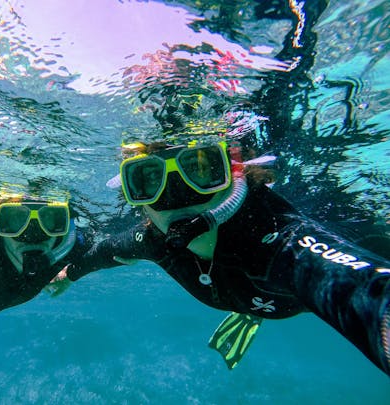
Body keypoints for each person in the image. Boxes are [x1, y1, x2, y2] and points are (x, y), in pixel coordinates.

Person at [52, 138, 390, 375]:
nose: (176, 196)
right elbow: (107, 251)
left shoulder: (279, 241)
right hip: (254, 298)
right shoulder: (153, 240)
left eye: (200, 169)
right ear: (136, 198)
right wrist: (71, 273)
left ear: (235, 176)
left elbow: (362, 289)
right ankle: (252, 311)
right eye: (150, 179)